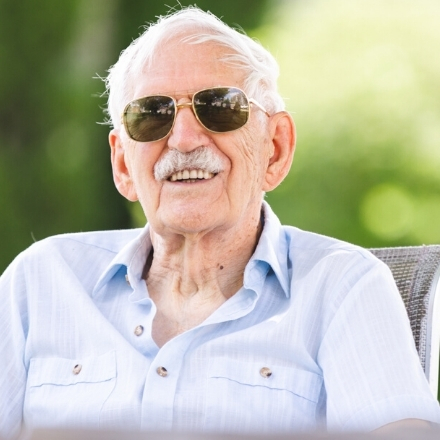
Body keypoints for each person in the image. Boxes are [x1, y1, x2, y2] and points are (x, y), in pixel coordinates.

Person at [1, 6, 439, 439]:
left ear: (275, 149)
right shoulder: (40, 281)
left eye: (220, 107)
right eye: (151, 114)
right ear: (121, 164)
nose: (185, 138)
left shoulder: (344, 287)